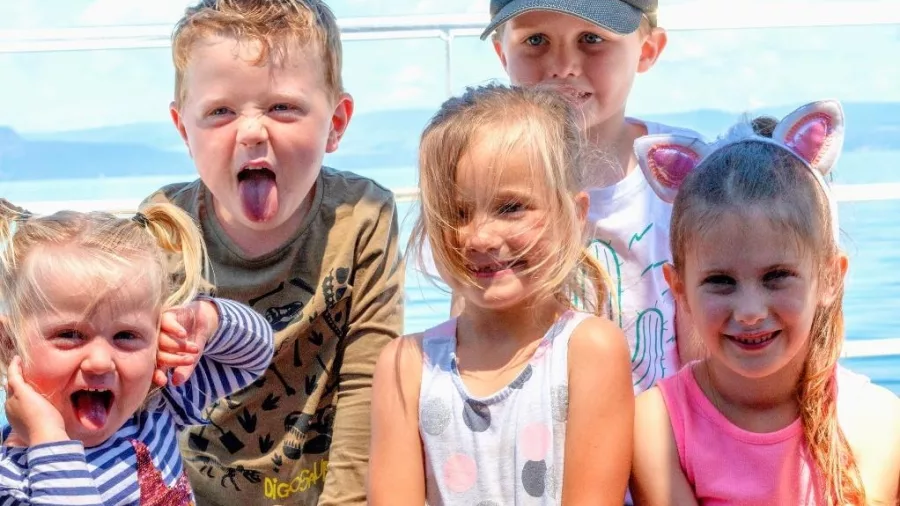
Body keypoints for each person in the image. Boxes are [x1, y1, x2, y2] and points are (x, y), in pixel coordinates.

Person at [147, 0, 404, 504]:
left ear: (336, 122)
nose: (251, 131)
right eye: (220, 112)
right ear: (184, 130)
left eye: (283, 107)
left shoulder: (362, 216)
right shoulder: (163, 230)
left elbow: (367, 386)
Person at [369, 84, 634, 505]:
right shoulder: (405, 366)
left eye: (510, 207)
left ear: (575, 215)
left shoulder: (590, 349)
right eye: (456, 213)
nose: (479, 237)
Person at [425, 0, 705, 393]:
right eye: (535, 40)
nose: (562, 66)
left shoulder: (690, 169)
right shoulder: (480, 178)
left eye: (592, 38)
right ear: (503, 53)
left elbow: (708, 349)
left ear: (646, 50)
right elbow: (470, 333)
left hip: (664, 436)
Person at [629, 101, 900, 505]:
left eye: (776, 277)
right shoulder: (656, 423)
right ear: (679, 290)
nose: (750, 310)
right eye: (721, 281)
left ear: (831, 278)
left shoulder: (875, 419)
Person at [0, 201, 274, 505]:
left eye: (126, 336)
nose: (101, 361)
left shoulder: (156, 405)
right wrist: (48, 440)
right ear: (8, 343)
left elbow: (255, 356)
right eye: (70, 335)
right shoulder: (13, 479)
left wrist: (207, 321)